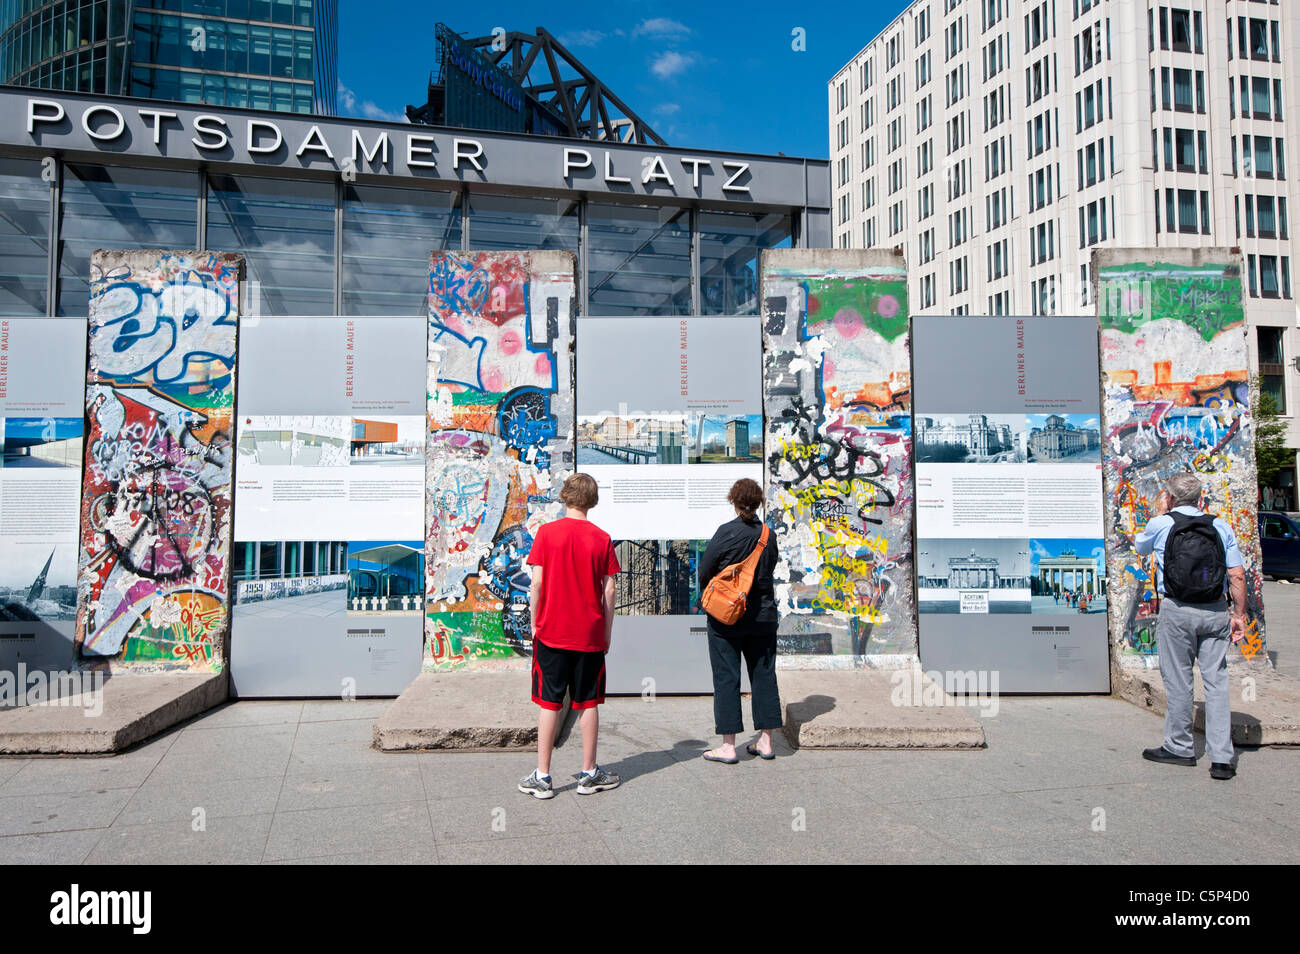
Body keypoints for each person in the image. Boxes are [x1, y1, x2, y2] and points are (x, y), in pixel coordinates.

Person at [1133, 471, 1247, 781]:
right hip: (1214, 610)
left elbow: (1141, 548)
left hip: (1177, 610)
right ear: (1201, 498)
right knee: (1216, 682)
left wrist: (1160, 514)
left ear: (1169, 497)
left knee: (1179, 679)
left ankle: (1180, 747)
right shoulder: (1219, 525)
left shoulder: (1162, 524)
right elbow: (1236, 574)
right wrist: (1238, 613)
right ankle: (1222, 758)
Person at [517, 473, 622, 798]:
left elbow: (535, 583)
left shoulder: (547, 534)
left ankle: (543, 776)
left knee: (549, 702)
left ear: (565, 497)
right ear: (593, 500)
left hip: (552, 633)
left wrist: (535, 624)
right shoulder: (602, 538)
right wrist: (605, 633)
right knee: (587, 702)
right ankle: (589, 773)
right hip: (588, 635)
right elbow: (610, 589)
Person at [697, 477, 782, 762]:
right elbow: (770, 569)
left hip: (727, 619)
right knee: (764, 675)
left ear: (734, 502)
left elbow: (705, 569)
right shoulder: (768, 536)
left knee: (726, 677)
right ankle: (767, 742)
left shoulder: (726, 532)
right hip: (763, 617)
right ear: (758, 503)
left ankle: (728, 746)